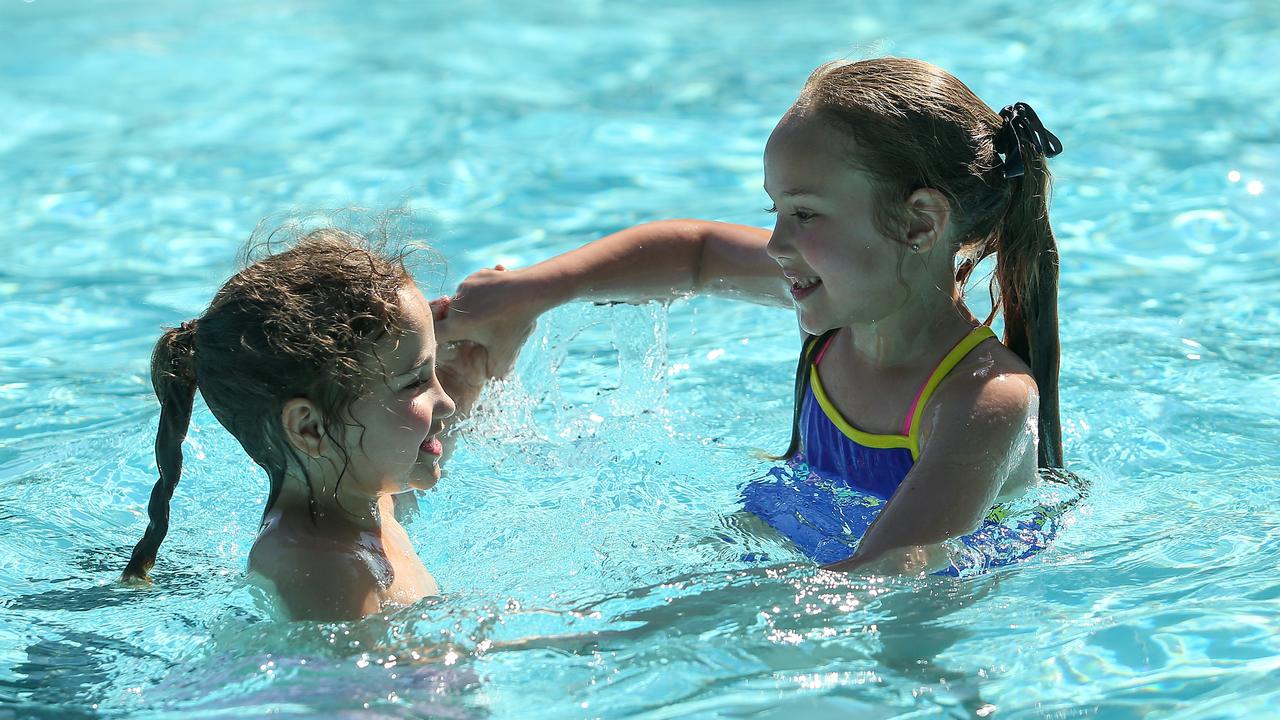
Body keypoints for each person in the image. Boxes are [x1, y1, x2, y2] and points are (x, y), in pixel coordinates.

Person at [437, 57, 1066, 575]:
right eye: (774, 213)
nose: (775, 246)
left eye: (806, 214)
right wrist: (531, 291)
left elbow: (886, 575)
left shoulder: (981, 401)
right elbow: (695, 252)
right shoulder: (847, 299)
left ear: (920, 222)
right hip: (797, 560)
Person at [120, 228, 491, 620]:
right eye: (415, 381)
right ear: (310, 428)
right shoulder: (325, 571)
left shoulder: (358, 497)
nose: (446, 402)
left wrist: (470, 376)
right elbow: (393, 680)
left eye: (434, 371)